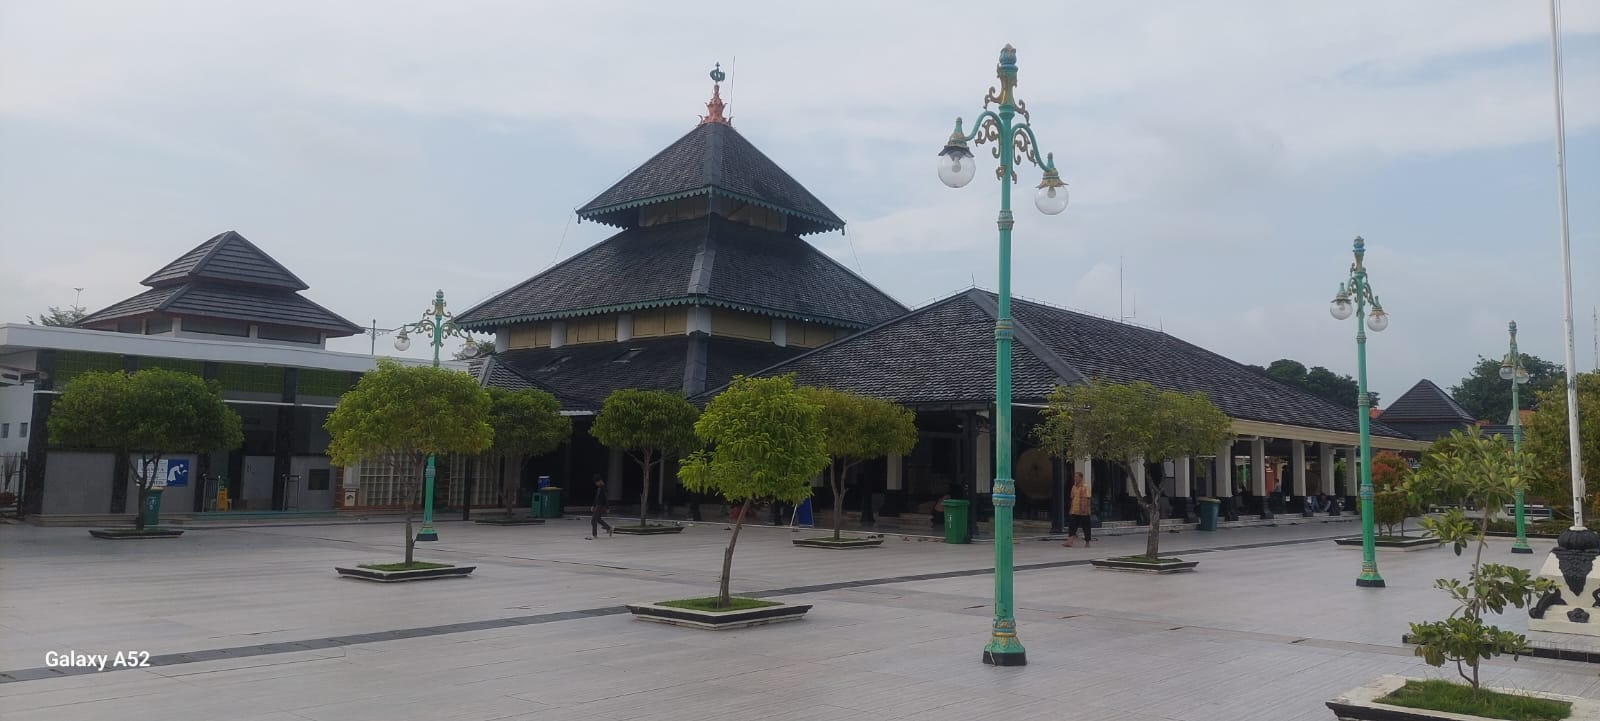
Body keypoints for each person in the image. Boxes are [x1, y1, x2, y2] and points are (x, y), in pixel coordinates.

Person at [1063, 471, 1093, 548]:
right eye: (1075, 477)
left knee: (1086, 527)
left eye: (1076, 477)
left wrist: (1086, 508)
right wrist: (1071, 508)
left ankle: (1087, 542)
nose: (1075, 478)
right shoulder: (1074, 487)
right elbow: (1072, 498)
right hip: (1074, 510)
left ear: (1081, 478)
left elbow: (1088, 498)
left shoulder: (1085, 487)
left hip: (1083, 511)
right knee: (1072, 526)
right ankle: (1070, 541)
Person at [587, 474, 612, 540]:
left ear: (600, 481)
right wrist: (593, 505)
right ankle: (609, 528)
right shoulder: (600, 488)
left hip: (600, 505)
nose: (596, 484)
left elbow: (606, 498)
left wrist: (607, 507)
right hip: (598, 505)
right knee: (598, 519)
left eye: (596, 482)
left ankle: (594, 535)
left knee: (593, 520)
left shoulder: (603, 488)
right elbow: (596, 498)